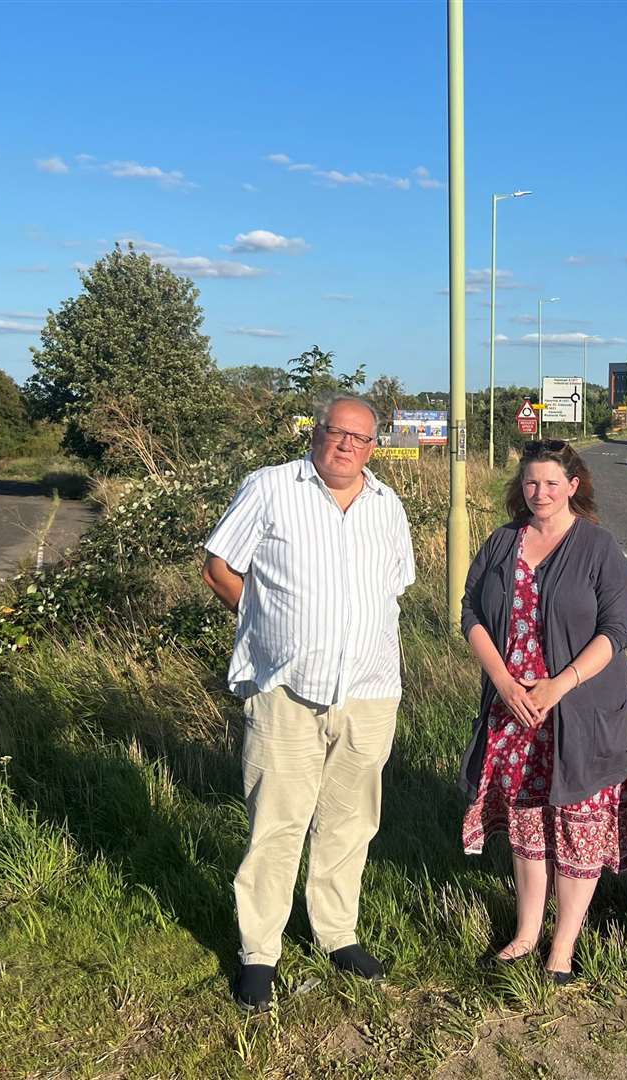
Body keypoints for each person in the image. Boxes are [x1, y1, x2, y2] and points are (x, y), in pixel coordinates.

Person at [201, 395, 416, 1012]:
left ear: (375, 447)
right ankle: (259, 953)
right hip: (286, 691)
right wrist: (269, 625)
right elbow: (218, 566)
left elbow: (393, 587)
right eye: (336, 432)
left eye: (361, 437)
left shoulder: (386, 506)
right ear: (316, 434)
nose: (347, 445)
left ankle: (335, 935)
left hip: (371, 691)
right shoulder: (271, 488)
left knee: (350, 823)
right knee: (276, 822)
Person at [459, 439, 627, 983]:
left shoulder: (599, 547)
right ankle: (525, 933)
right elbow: (470, 609)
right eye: (531, 483)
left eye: (551, 483)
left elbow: (615, 631)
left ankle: (562, 947)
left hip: (578, 713)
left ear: (573, 486)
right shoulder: (501, 543)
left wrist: (559, 685)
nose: (539, 493)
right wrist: (501, 681)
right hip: (514, 711)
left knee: (577, 827)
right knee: (527, 824)